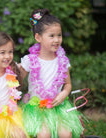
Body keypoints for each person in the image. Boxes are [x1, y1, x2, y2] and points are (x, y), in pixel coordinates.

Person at [20, 9, 84, 138]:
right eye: (51, 36)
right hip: (37, 107)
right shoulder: (29, 61)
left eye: (59, 35)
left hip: (58, 105)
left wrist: (64, 94)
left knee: (66, 134)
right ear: (38, 37)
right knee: (44, 134)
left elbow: (68, 84)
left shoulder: (62, 61)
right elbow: (17, 84)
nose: (56, 40)